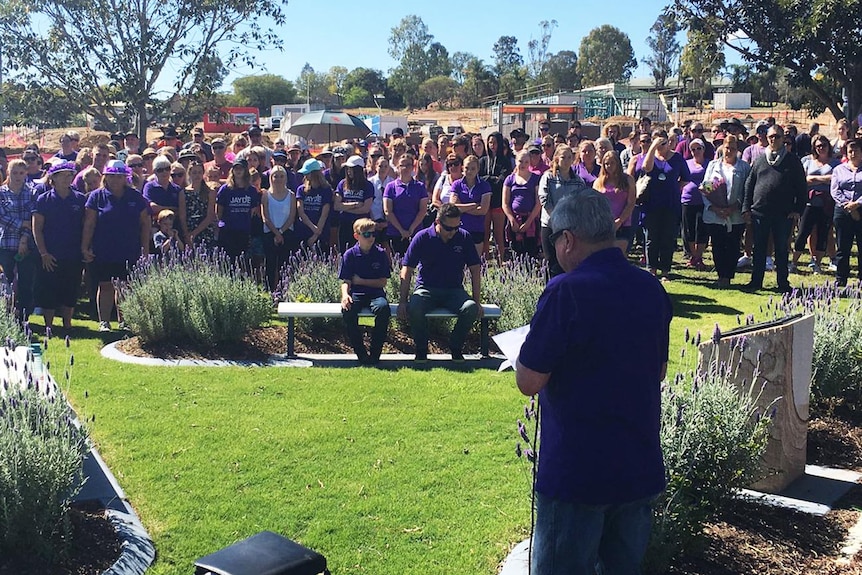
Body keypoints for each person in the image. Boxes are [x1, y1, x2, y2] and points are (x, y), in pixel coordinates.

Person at [516, 190, 671, 575]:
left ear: (567, 239)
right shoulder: (650, 286)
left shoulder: (565, 291)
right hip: (637, 463)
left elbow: (529, 381)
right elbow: (662, 368)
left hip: (579, 472)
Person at [397, 204, 482, 362]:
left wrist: (477, 301)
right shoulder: (422, 237)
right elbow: (406, 270)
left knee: (470, 308)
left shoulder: (463, 237)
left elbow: (475, 270)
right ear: (437, 222)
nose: (453, 232)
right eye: (449, 228)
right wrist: (402, 301)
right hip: (426, 289)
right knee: (414, 306)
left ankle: (455, 346)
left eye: (457, 227)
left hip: (454, 291)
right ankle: (421, 349)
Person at [81, 160, 151, 332]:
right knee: (105, 286)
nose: (115, 180)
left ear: (125, 177)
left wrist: (145, 250)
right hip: (103, 249)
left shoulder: (136, 197)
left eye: (119, 176)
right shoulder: (96, 196)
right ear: (106, 177)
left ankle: (124, 321)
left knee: (126, 287)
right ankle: (104, 321)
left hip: (129, 249)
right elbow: (89, 224)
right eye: (112, 176)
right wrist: (85, 246)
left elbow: (145, 225)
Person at [742, 125, 807, 293]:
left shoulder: (792, 160)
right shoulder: (760, 159)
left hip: (783, 214)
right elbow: (750, 184)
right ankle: (756, 282)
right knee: (759, 249)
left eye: (777, 137)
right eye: (771, 136)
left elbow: (801, 187)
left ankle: (783, 283)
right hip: (759, 212)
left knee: (781, 249)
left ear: (783, 139)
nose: (773, 139)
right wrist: (746, 208)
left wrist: (798, 209)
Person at [31, 162, 86, 332]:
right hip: (50, 254)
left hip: (73, 254)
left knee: (70, 289)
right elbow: (37, 228)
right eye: (63, 175)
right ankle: (49, 325)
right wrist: (43, 253)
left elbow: (86, 226)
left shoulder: (79, 199)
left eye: (70, 175)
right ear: (53, 178)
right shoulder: (43, 199)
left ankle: (67, 325)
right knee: (49, 289)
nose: (67, 178)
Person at [636, 129, 691, 280]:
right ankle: (651, 269)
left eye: (663, 143)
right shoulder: (650, 157)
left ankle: (665, 270)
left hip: (670, 203)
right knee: (651, 238)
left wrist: (676, 187)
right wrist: (653, 148)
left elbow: (686, 178)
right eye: (657, 143)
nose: (661, 146)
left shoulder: (677, 158)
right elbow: (646, 169)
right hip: (651, 203)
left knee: (667, 238)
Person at [339, 218, 392, 365]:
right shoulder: (349, 254)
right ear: (357, 236)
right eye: (367, 235)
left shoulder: (381, 254)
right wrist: (345, 296)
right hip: (357, 294)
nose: (371, 238)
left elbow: (383, 282)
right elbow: (346, 281)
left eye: (374, 234)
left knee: (383, 309)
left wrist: (361, 281)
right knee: (348, 311)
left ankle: (375, 355)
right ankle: (361, 355)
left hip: (376, 294)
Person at [701, 135, 751, 287]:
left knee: (733, 245)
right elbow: (706, 188)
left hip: (735, 214)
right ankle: (721, 274)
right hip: (715, 213)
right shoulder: (713, 165)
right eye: (727, 148)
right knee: (717, 244)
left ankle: (728, 275)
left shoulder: (743, 167)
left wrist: (734, 207)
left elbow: (746, 191)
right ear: (722, 148)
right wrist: (715, 207)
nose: (729, 151)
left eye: (733, 149)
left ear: (737, 150)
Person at [538, 145, 590, 278]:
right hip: (550, 225)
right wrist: (556, 218)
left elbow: (581, 202)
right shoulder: (548, 177)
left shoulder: (578, 181)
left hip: (569, 229)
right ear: (556, 159)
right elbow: (544, 198)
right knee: (552, 262)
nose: (566, 160)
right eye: (563, 157)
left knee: (567, 263)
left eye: (569, 157)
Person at [790, 134, 839, 273]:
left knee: (824, 233)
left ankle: (817, 263)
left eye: (823, 145)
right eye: (818, 146)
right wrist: (824, 179)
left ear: (828, 146)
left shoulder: (836, 163)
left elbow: (835, 179)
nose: (821, 148)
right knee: (803, 233)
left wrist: (814, 179)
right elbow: (803, 180)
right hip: (808, 202)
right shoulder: (806, 161)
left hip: (827, 203)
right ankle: (794, 263)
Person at [0, 159, 38, 320]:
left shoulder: (32, 192)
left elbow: (32, 219)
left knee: (26, 283)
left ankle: (24, 317)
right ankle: (6, 316)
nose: (17, 176)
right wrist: (21, 224)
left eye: (21, 173)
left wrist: (24, 238)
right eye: (14, 172)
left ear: (26, 173)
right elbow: (2, 217)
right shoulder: (1, 193)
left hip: (26, 245)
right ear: (8, 172)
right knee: (5, 283)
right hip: (5, 244)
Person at [830, 138, 862, 287]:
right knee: (843, 247)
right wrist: (848, 207)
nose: (853, 153)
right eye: (850, 151)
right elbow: (835, 191)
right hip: (842, 212)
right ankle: (841, 278)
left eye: (856, 150)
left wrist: (857, 204)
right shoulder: (838, 170)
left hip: (861, 209)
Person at [383, 154, 428, 256]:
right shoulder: (390, 187)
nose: (405, 168)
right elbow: (387, 211)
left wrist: (412, 228)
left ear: (413, 167)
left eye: (408, 165)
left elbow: (423, 210)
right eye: (402, 165)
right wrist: (401, 230)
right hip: (395, 232)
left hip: (416, 232)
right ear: (398, 168)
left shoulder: (420, 186)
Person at [261, 165, 297, 291]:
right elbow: (265, 217)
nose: (278, 179)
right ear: (271, 177)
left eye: (281, 176)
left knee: (285, 264)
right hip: (270, 233)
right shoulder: (265, 195)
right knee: (270, 265)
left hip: (287, 232)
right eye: (275, 176)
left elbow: (292, 216)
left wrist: (281, 232)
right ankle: (269, 293)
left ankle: (284, 292)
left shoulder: (291, 195)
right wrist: (276, 233)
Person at [215, 159, 261, 258]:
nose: (238, 171)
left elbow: (253, 210)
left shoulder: (251, 190)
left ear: (245, 171)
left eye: (241, 168)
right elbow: (218, 210)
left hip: (244, 230)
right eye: (236, 168)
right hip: (227, 230)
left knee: (242, 261)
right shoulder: (225, 189)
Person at [594, 150, 636, 253]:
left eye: (612, 163)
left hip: (623, 224)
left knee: (620, 256)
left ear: (618, 163)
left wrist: (620, 221)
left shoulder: (628, 179)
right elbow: (594, 204)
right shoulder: (599, 182)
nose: (609, 166)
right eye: (606, 163)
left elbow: (631, 203)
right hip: (604, 225)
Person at [479, 132, 512, 263]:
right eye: (490, 142)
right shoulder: (482, 160)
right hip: (485, 202)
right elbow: (480, 179)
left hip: (498, 201)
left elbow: (502, 181)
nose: (492, 145)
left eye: (495, 142)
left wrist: (489, 179)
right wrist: (493, 178)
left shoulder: (505, 161)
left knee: (499, 235)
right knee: (485, 233)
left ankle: (500, 262)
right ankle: (485, 262)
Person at [502, 150, 542, 257]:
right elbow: (505, 203)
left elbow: (538, 203)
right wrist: (511, 219)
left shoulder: (535, 179)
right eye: (520, 161)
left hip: (530, 220)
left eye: (526, 162)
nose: (523, 164)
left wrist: (528, 222)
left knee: (531, 251)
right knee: (516, 253)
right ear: (516, 161)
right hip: (514, 219)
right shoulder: (509, 179)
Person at [450, 155, 492, 257]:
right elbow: (453, 207)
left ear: (478, 169)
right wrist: (474, 205)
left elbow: (483, 210)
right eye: (467, 168)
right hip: (459, 228)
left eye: (473, 168)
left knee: (475, 262)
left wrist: (462, 208)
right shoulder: (457, 185)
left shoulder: (484, 186)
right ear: (462, 168)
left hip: (477, 228)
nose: (469, 171)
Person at [681, 138, 710, 270]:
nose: (696, 151)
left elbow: (715, 179)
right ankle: (694, 256)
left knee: (702, 230)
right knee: (689, 230)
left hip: (704, 201)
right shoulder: (686, 164)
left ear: (704, 149)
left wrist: (706, 190)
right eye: (693, 149)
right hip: (687, 200)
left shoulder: (710, 164)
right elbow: (680, 179)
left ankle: (699, 256)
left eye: (699, 148)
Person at [295, 158, 333, 251]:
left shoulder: (326, 189)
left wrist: (316, 235)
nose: (305, 175)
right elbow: (301, 212)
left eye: (307, 173)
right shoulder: (301, 189)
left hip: (321, 232)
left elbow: (324, 214)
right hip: (304, 230)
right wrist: (313, 228)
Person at [179, 161, 216, 246]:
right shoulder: (183, 193)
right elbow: (182, 216)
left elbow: (210, 216)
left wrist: (194, 233)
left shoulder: (210, 192)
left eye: (199, 172)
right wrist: (187, 234)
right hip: (189, 228)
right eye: (194, 172)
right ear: (189, 174)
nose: (197, 175)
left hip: (205, 230)